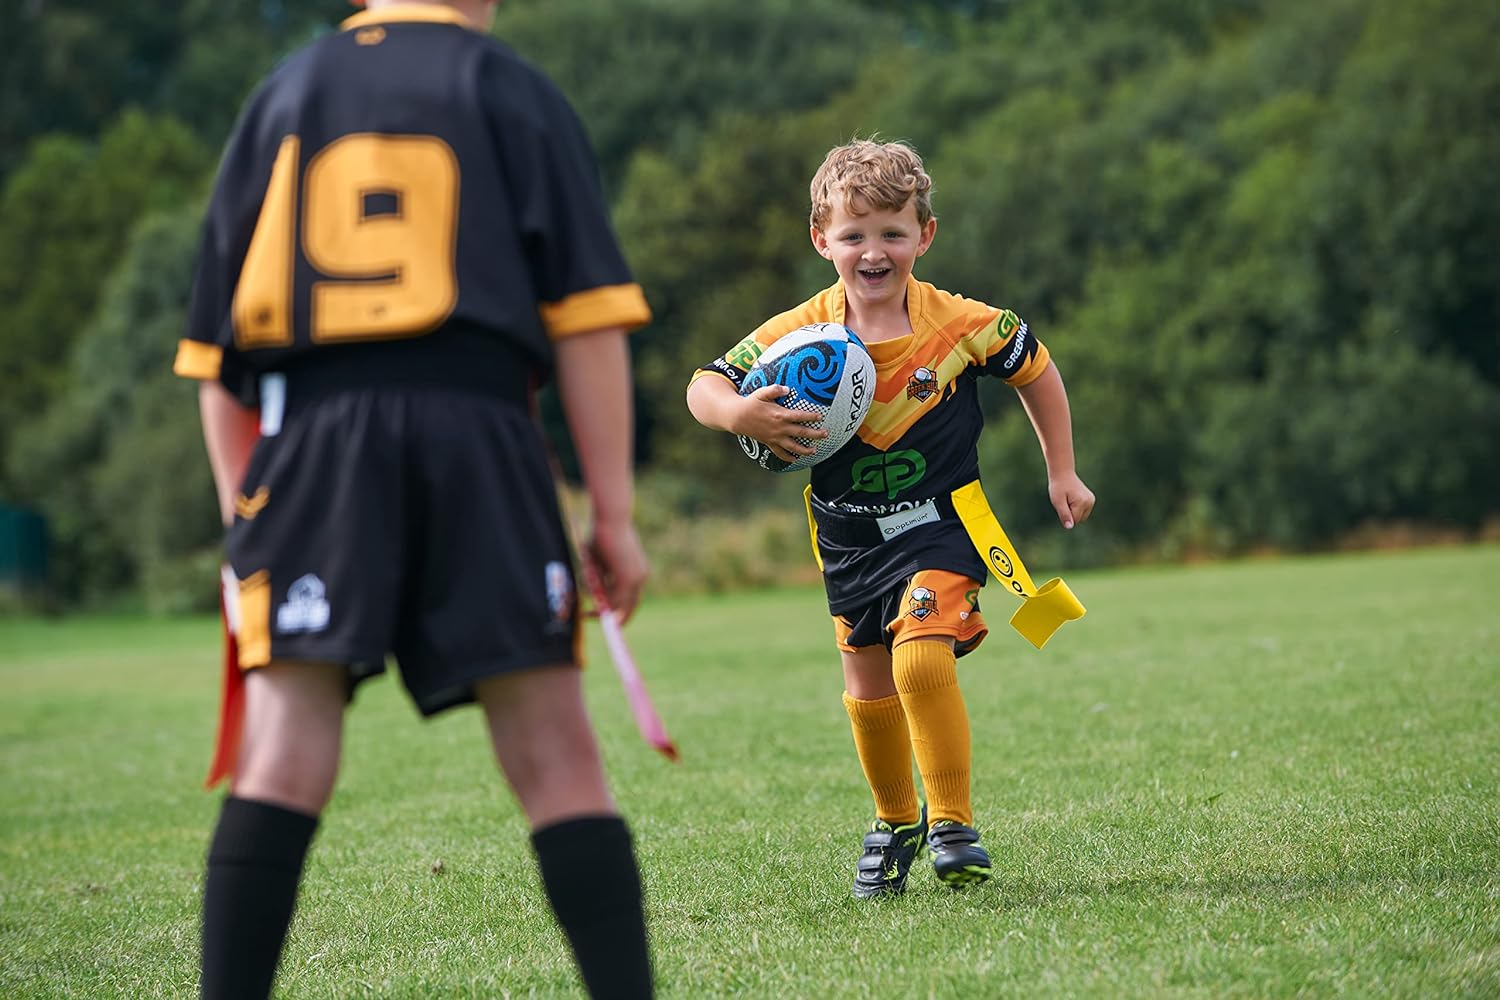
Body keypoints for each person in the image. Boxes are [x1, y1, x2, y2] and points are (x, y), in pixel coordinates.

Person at [172, 1, 654, 996]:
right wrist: (614, 514)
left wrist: (243, 522)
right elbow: (587, 326)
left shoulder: (284, 93)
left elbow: (216, 364)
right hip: (478, 427)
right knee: (557, 755)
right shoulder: (512, 89)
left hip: (311, 440)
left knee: (283, 749)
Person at [685, 138, 1095, 898]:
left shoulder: (961, 323)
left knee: (920, 657)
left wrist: (1060, 469)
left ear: (924, 236)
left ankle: (952, 822)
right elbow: (703, 385)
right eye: (854, 234)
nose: (873, 251)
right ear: (822, 240)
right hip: (845, 537)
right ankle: (894, 819)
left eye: (892, 232)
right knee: (869, 686)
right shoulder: (802, 330)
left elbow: (1036, 369)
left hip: (940, 523)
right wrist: (740, 410)